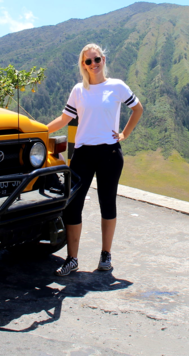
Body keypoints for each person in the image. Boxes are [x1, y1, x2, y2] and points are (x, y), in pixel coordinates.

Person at [46, 43, 144, 276]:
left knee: (107, 204)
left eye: (97, 59)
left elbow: (138, 109)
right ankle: (72, 259)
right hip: (82, 154)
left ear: (103, 60)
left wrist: (124, 134)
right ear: (83, 65)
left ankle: (106, 256)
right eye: (88, 61)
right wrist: (38, 131)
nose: (94, 64)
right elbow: (63, 119)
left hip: (109, 153)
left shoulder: (117, 86)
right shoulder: (78, 90)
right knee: (72, 206)